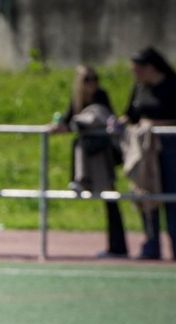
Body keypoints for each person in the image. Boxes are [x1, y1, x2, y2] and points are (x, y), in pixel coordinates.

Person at [58, 65, 127, 258]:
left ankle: (118, 246)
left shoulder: (101, 96)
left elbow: (105, 118)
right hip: (88, 152)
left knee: (110, 196)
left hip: (103, 153)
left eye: (94, 79)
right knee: (106, 197)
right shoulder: (77, 99)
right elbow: (68, 120)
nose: (92, 83)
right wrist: (58, 127)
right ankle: (80, 178)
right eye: (87, 79)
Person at [122, 47, 176, 261]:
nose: (134, 74)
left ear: (150, 68)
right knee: (145, 195)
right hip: (145, 151)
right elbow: (130, 114)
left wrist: (155, 124)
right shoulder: (139, 88)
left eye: (137, 70)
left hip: (170, 148)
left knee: (172, 198)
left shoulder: (172, 85)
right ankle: (151, 246)